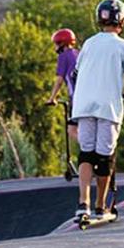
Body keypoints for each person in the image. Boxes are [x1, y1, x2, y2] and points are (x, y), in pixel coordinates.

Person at [70, 0, 124, 218]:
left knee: (86, 154)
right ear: (122, 20)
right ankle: (101, 206)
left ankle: (83, 203)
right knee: (104, 157)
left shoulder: (89, 44)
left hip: (83, 106)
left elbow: (75, 75)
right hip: (107, 107)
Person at [46, 28, 79, 166]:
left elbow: (60, 80)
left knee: (72, 131)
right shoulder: (78, 53)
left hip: (76, 98)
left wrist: (52, 98)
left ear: (62, 43)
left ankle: (90, 151)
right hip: (88, 96)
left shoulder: (63, 57)